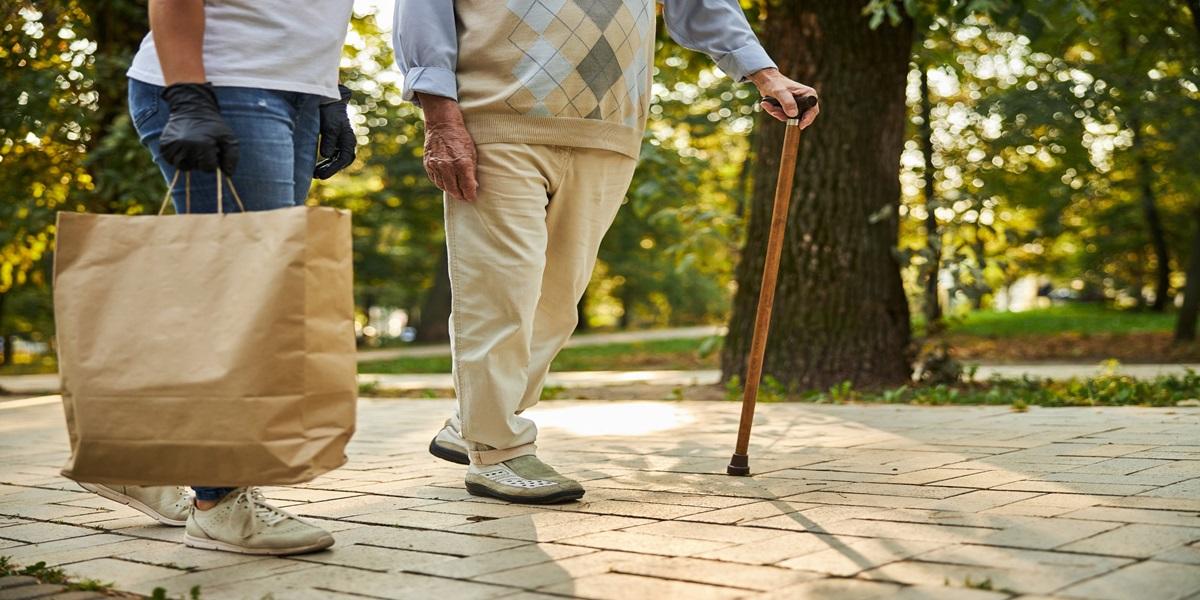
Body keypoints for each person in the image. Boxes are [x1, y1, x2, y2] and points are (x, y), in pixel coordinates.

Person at [395, 0, 819, 504]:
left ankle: (473, 418)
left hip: (609, 128)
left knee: (556, 303)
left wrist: (765, 74)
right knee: (501, 290)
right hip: (493, 117)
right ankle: (497, 450)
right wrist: (439, 116)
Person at [79, 0, 357, 555]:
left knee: (250, 293)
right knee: (238, 299)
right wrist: (188, 93)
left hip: (291, 92)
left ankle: (137, 452)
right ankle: (218, 503)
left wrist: (328, 92)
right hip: (222, 85)